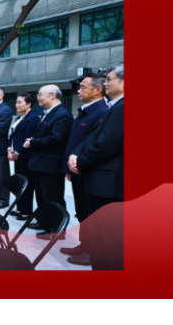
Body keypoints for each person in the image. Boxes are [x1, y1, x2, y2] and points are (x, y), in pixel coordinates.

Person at [68, 64, 124, 270]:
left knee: (109, 243)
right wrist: (75, 154)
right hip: (99, 182)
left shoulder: (123, 107)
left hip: (107, 185)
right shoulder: (114, 107)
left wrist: (79, 161)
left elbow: (105, 144)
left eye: (109, 79)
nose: (106, 83)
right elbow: (90, 138)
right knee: (101, 240)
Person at [59, 73, 109, 266]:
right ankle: (84, 244)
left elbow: (94, 144)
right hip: (77, 169)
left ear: (97, 90)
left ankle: (91, 250)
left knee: (90, 214)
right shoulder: (86, 110)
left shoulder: (102, 111)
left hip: (87, 170)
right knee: (81, 211)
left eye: (83, 87)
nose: (78, 91)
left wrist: (78, 164)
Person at [23, 84, 72, 236]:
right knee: (42, 196)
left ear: (52, 95)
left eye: (40, 94)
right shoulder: (48, 113)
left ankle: (55, 229)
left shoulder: (62, 114)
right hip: (40, 163)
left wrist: (34, 142)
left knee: (52, 197)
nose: (37, 98)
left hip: (51, 164)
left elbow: (57, 138)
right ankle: (44, 221)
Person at [8, 92, 39, 221]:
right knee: (19, 184)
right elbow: (12, 136)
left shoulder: (33, 118)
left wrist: (17, 153)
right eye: (16, 102)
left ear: (29, 104)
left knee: (27, 185)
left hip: (26, 157)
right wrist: (9, 150)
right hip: (17, 156)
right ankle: (20, 208)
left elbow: (27, 138)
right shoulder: (19, 118)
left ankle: (26, 211)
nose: (17, 105)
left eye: (20, 102)